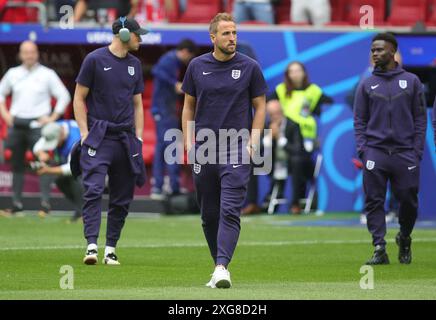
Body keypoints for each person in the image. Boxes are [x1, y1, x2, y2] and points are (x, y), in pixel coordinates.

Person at [181, 13, 267, 288]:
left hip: (237, 148)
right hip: (204, 150)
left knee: (230, 210)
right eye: (227, 33)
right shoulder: (196, 66)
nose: (232, 38)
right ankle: (217, 264)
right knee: (209, 215)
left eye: (235, 33)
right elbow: (188, 106)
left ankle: (221, 267)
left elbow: (261, 105)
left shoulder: (250, 67)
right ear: (213, 37)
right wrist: (187, 141)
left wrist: (253, 141)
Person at [73, 17, 147, 265]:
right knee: (93, 190)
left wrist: (138, 137)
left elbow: (137, 104)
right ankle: (92, 245)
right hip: (99, 136)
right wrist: (84, 133)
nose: (141, 38)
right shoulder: (94, 59)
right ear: (124, 35)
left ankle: (111, 248)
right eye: (138, 34)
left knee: (122, 197)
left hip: (125, 139)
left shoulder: (135, 64)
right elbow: (79, 98)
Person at [354, 33, 427, 265]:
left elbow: (420, 118)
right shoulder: (366, 84)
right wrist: (363, 149)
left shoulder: (412, 81)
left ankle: (404, 237)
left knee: (408, 199)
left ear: (393, 52)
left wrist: (416, 150)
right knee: (374, 201)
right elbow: (359, 121)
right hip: (375, 151)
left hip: (405, 152)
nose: (375, 54)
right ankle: (379, 247)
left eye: (380, 50)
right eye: (373, 50)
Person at [0, 41, 70, 216]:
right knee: (16, 164)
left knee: (43, 161)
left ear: (37, 53)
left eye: (32, 52)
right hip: (17, 123)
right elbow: (1, 93)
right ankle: (16, 204)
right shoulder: (13, 73)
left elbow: (64, 96)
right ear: (20, 54)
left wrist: (53, 117)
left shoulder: (47, 74)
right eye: (26, 52)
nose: (29, 55)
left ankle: (45, 204)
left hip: (39, 124)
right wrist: (5, 115)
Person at [268, 61, 332, 214]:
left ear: (304, 72)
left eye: (298, 70)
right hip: (285, 134)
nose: (295, 74)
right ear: (287, 75)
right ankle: (268, 197)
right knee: (264, 156)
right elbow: (268, 104)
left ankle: (296, 202)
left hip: (305, 140)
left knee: (298, 161)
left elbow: (329, 106)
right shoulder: (281, 90)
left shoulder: (313, 91)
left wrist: (315, 113)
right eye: (292, 71)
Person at [150, 39, 197, 200]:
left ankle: (164, 186)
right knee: (168, 146)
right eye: (189, 56)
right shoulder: (169, 60)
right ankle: (165, 186)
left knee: (165, 147)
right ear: (185, 51)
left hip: (166, 110)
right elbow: (157, 71)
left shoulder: (173, 61)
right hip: (162, 110)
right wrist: (174, 84)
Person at [33, 121, 83, 222]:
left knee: (76, 179)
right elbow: (37, 147)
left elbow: (71, 168)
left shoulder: (75, 140)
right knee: (60, 181)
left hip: (89, 161)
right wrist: (41, 154)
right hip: (71, 161)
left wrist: (48, 170)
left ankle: (85, 213)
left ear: (61, 134)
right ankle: (81, 211)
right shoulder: (54, 128)